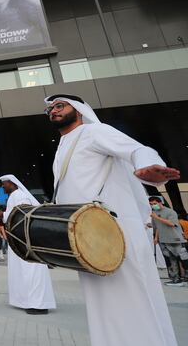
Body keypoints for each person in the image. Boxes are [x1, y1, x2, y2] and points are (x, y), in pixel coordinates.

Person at [45, 93, 180, 345]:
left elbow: (138, 150)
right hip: (88, 238)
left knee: (130, 300)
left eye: (59, 106)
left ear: (78, 109)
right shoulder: (63, 145)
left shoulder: (94, 132)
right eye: (50, 109)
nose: (53, 111)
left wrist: (148, 167)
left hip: (114, 233)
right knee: (102, 305)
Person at [0, 175, 57, 315]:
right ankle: (29, 301)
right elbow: (13, 214)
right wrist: (3, 215)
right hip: (21, 240)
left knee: (32, 271)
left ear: (11, 183)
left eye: (4, 184)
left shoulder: (20, 196)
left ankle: (38, 304)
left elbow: (23, 215)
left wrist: (4, 216)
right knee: (25, 272)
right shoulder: (14, 196)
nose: (2, 187)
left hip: (26, 240)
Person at [149, 196, 188, 285]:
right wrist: (156, 238)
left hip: (176, 239)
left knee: (184, 259)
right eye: (151, 204)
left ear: (160, 203)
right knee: (170, 261)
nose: (153, 206)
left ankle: (185, 277)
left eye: (154, 203)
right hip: (163, 240)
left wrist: (157, 217)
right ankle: (175, 279)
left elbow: (171, 223)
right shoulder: (154, 213)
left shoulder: (170, 212)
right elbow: (158, 226)